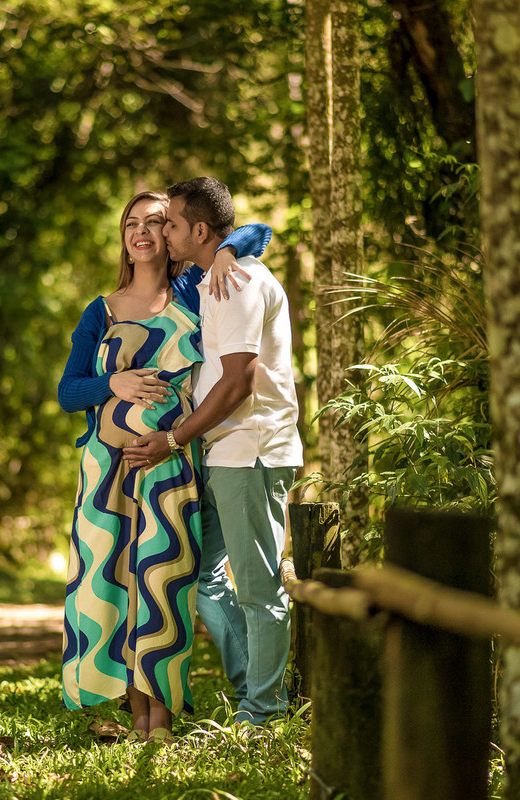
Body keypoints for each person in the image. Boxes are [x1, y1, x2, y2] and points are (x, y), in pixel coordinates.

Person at [57, 190, 272, 742]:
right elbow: (68, 392)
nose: (143, 233)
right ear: (123, 238)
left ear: (173, 234)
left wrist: (225, 251)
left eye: (156, 223)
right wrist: (113, 384)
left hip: (171, 464)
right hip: (106, 474)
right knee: (117, 586)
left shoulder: (192, 290)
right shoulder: (100, 310)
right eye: (132, 224)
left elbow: (259, 232)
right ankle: (136, 720)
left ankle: (163, 723)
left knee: (163, 584)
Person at [123, 177, 303, 727]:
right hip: (222, 455)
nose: (162, 233)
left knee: (258, 586)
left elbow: (237, 383)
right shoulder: (210, 275)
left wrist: (175, 438)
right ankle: (256, 690)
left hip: (250, 450)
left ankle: (264, 711)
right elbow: (252, 231)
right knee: (206, 579)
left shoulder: (238, 283)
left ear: (198, 230)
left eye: (171, 224)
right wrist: (225, 248)